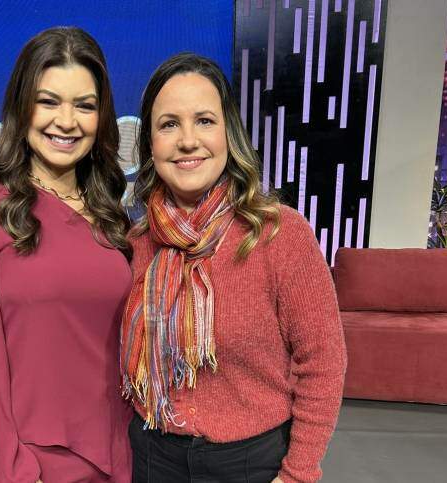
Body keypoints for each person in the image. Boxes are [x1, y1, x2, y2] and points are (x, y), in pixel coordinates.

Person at [120, 53, 347, 483]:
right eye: (169, 125)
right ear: (150, 144)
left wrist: (297, 474)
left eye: (204, 120)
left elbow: (323, 364)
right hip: (151, 456)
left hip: (251, 464)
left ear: (229, 133)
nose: (188, 140)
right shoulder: (136, 243)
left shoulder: (280, 233)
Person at [0, 27, 133, 483]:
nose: (66, 121)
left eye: (84, 105)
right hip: (35, 467)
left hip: (123, 457)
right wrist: (9, 472)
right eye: (48, 102)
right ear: (21, 106)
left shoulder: (113, 217)